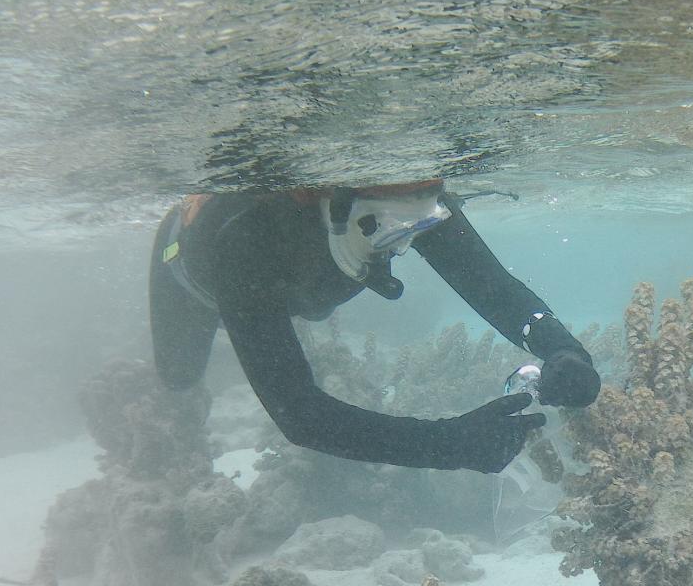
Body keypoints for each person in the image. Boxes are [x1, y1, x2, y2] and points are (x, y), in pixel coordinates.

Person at [148, 180, 600, 473]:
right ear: (320, 196)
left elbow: (495, 290)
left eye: (413, 232)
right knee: (180, 375)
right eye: (387, 234)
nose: (399, 243)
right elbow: (299, 416)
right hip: (191, 275)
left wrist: (565, 350)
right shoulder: (244, 240)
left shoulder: (406, 196)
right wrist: (448, 444)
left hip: (298, 288)